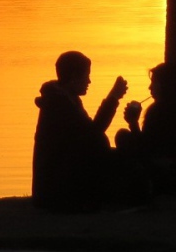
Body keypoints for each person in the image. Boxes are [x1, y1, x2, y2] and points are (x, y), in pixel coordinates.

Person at [32, 50, 128, 211]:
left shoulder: (67, 99)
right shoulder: (60, 105)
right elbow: (93, 134)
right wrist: (113, 98)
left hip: (60, 183)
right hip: (57, 191)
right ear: (75, 76)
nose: (89, 81)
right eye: (86, 75)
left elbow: (90, 133)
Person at [117, 61, 176, 196]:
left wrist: (133, 123)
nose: (150, 88)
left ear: (166, 85)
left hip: (164, 170)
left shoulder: (157, 112)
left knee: (122, 136)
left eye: (154, 83)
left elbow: (146, 149)